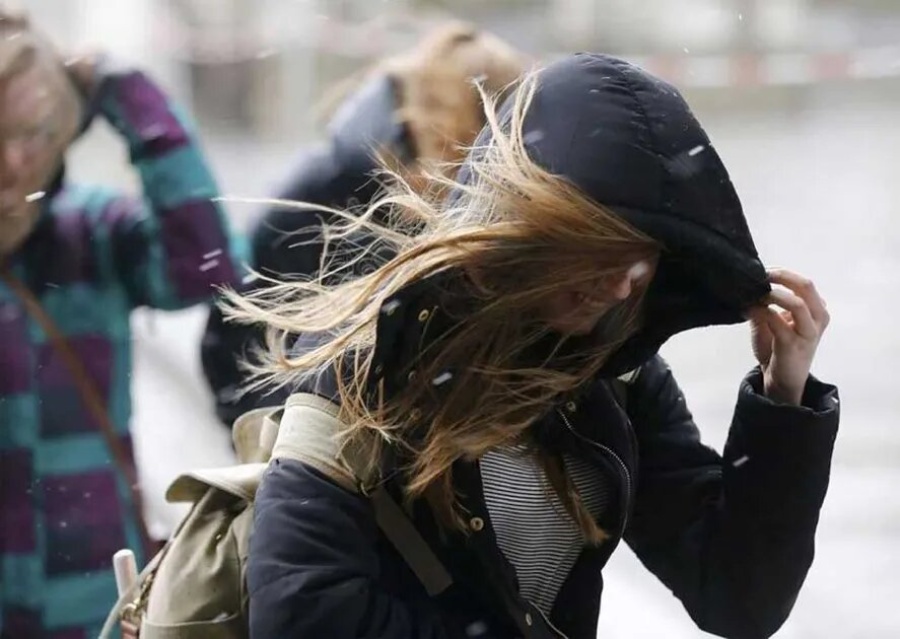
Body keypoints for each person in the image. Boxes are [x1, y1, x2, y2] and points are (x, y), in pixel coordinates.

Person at [231, 53, 839, 639]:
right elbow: (298, 615)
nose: (622, 282)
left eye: (647, 253)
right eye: (599, 248)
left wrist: (782, 399)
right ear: (528, 228)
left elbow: (736, 597)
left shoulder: (619, 375)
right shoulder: (368, 361)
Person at [0, 12, 241, 639]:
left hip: (99, 614)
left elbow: (208, 264)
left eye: (31, 132)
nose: (11, 165)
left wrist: (127, 92)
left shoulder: (92, 234)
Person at [200, 22, 526, 427]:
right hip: (315, 445)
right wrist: (300, 435)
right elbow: (239, 342)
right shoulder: (330, 194)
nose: (420, 116)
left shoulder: (491, 209)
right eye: (423, 98)